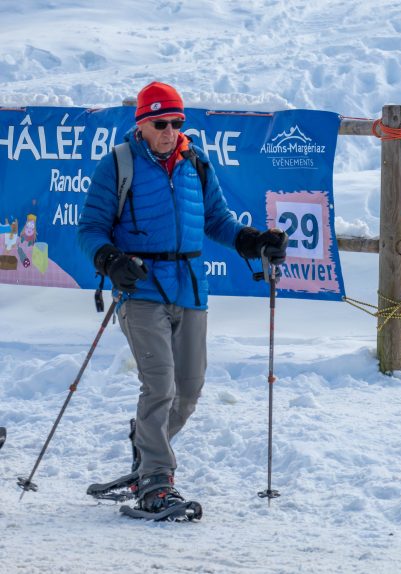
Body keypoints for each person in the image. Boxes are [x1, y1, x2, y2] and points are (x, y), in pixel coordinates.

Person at [77, 81, 288, 516]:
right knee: (160, 385)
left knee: (188, 390)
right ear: (142, 124)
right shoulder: (118, 164)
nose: (170, 130)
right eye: (161, 124)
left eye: (176, 122)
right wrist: (110, 260)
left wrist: (252, 240)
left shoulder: (196, 162)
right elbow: (90, 230)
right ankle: (156, 479)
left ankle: (146, 444)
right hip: (141, 290)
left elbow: (218, 221)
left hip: (191, 288)